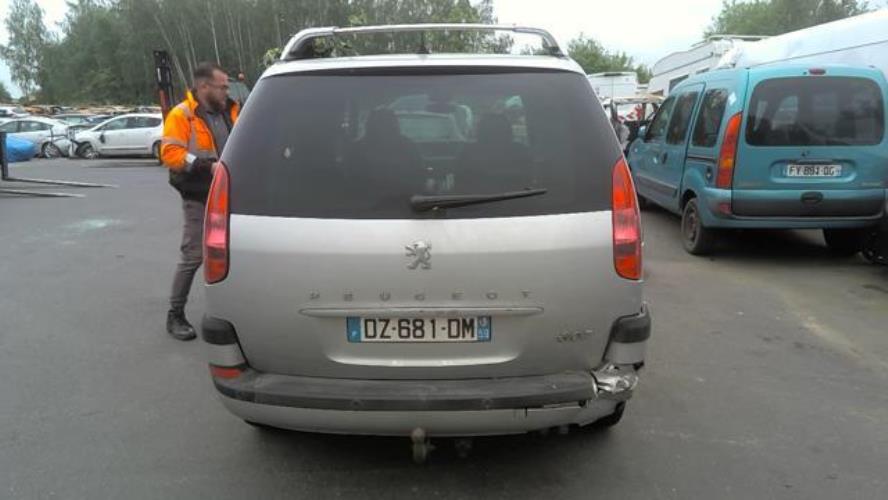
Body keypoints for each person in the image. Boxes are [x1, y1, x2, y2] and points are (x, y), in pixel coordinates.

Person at [161, 62, 239, 341]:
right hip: (198, 195)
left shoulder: (230, 111)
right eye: (222, 87)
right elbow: (170, 153)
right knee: (194, 255)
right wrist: (206, 166)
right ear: (204, 86)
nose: (226, 91)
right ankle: (175, 314)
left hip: (229, 193)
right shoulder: (183, 114)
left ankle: (235, 308)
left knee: (234, 252)